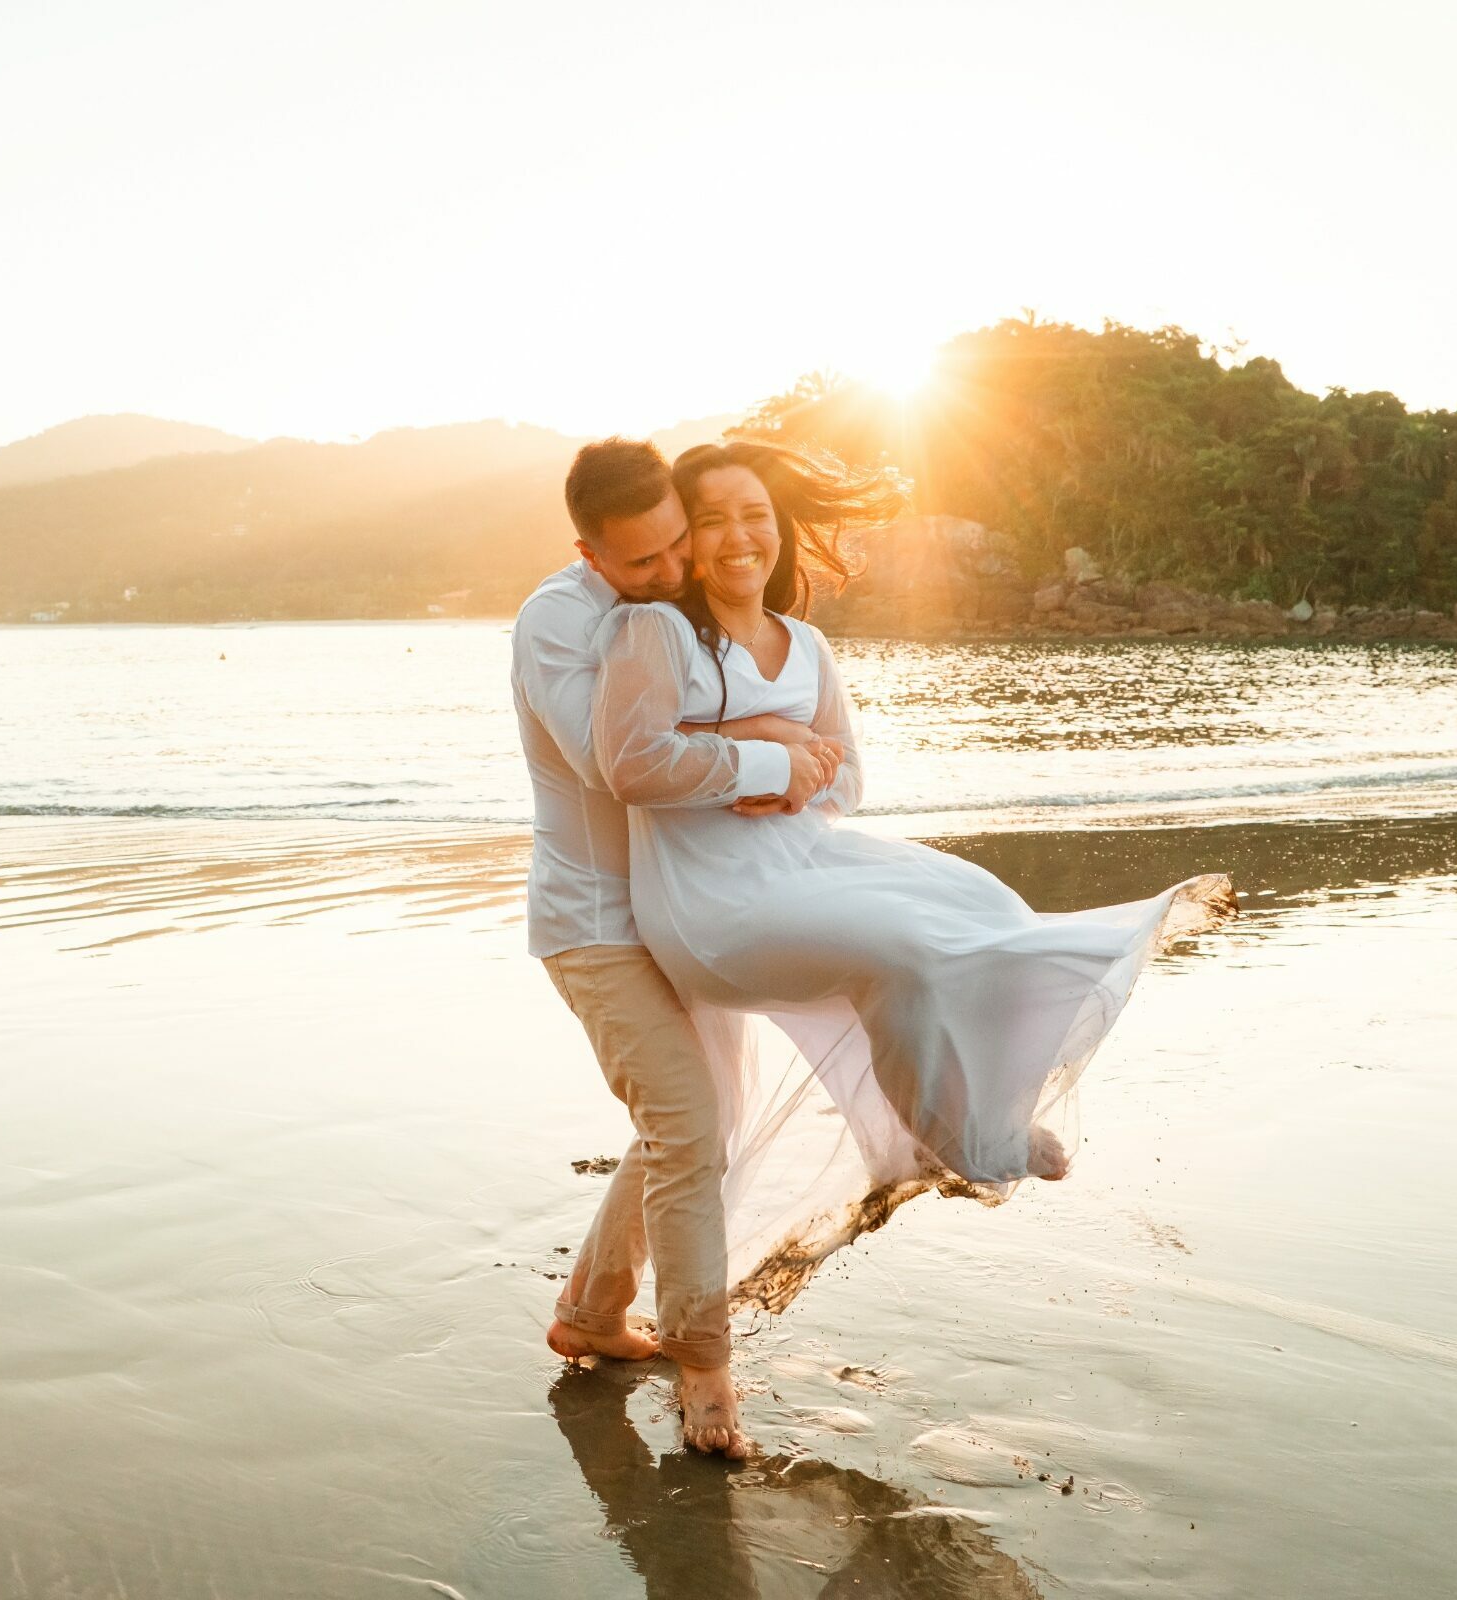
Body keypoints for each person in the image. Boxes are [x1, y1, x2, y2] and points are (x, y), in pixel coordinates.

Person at [589, 438, 1237, 1317]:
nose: (739, 537)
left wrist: (797, 769)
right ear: (683, 541)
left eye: (755, 515)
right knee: (902, 950)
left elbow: (847, 781)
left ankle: (990, 1103)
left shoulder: (806, 645)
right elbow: (632, 765)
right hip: (709, 901)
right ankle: (960, 1138)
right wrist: (766, 749)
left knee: (984, 903)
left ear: (779, 527)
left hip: (801, 860)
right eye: (711, 522)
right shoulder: (659, 629)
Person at [511, 437, 834, 1457]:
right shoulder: (560, 617)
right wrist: (772, 751)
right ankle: (708, 1371)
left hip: (685, 909)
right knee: (690, 1124)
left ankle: (593, 1315)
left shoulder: (683, 606)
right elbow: (619, 762)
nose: (667, 572)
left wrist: (791, 752)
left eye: (676, 546)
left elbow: (741, 707)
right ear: (588, 551)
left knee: (693, 1125)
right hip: (599, 921)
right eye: (639, 562)